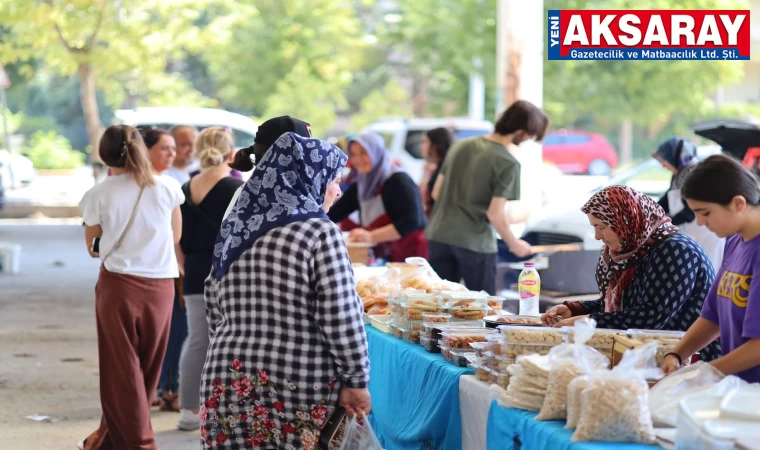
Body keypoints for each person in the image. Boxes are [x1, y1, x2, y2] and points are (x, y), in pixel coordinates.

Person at [201, 132, 370, 449]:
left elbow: (212, 302)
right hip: (296, 382)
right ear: (309, 179)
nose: (337, 190)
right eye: (333, 180)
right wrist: (356, 380)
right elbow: (340, 315)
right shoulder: (319, 231)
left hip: (227, 375)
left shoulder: (237, 226)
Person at [77, 125, 184, 450]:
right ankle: (108, 441)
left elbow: (93, 247)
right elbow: (175, 236)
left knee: (120, 370)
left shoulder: (98, 193)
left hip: (118, 288)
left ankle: (140, 444)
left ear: (105, 153)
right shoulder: (167, 187)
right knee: (146, 370)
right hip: (160, 287)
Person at [541, 185, 720, 361]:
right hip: (654, 356)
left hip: (691, 360)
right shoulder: (631, 252)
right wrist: (575, 310)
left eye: (602, 226)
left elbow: (651, 317)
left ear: (625, 220)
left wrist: (588, 320)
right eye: (594, 227)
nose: (597, 236)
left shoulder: (674, 250)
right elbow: (625, 306)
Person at [425, 100, 548, 294]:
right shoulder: (508, 163)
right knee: (484, 308)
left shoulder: (459, 146)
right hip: (475, 243)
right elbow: (495, 214)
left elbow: (436, 192)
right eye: (531, 135)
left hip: (439, 236)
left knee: (438, 306)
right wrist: (514, 244)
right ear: (524, 130)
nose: (528, 139)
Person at [662, 155, 760, 381]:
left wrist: (706, 373)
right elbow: (713, 315)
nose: (699, 222)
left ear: (738, 203)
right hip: (737, 389)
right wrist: (677, 354)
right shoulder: (736, 241)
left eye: (705, 213)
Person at [175, 127, 243, 431]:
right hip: (228, 273)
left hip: (194, 271)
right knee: (231, 342)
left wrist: (181, 267)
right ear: (231, 153)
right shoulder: (236, 188)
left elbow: (176, 237)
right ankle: (226, 408)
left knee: (197, 340)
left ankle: (188, 409)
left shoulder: (185, 188)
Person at [327, 132, 428, 262]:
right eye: (353, 154)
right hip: (389, 252)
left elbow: (413, 221)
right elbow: (336, 213)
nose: (358, 159)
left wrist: (371, 236)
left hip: (411, 252)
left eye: (364, 152)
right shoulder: (361, 184)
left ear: (376, 152)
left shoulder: (399, 180)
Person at [142, 127, 186, 411]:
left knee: (168, 332)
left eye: (174, 148)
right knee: (155, 335)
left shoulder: (171, 183)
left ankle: (162, 388)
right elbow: (175, 235)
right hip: (152, 272)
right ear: (146, 151)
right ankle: (153, 390)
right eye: (165, 148)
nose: (173, 153)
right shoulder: (164, 186)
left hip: (165, 269)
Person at [654, 136, 725, 269]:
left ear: (674, 156)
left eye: (664, 160)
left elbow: (690, 212)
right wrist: (651, 213)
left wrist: (665, 225)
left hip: (706, 232)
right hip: (689, 230)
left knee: (708, 268)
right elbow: (667, 199)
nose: (663, 165)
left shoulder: (696, 174)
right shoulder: (679, 175)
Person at [419, 127, 454, 216]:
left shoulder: (444, 170)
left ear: (436, 146)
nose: (421, 146)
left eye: (425, 142)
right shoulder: (436, 168)